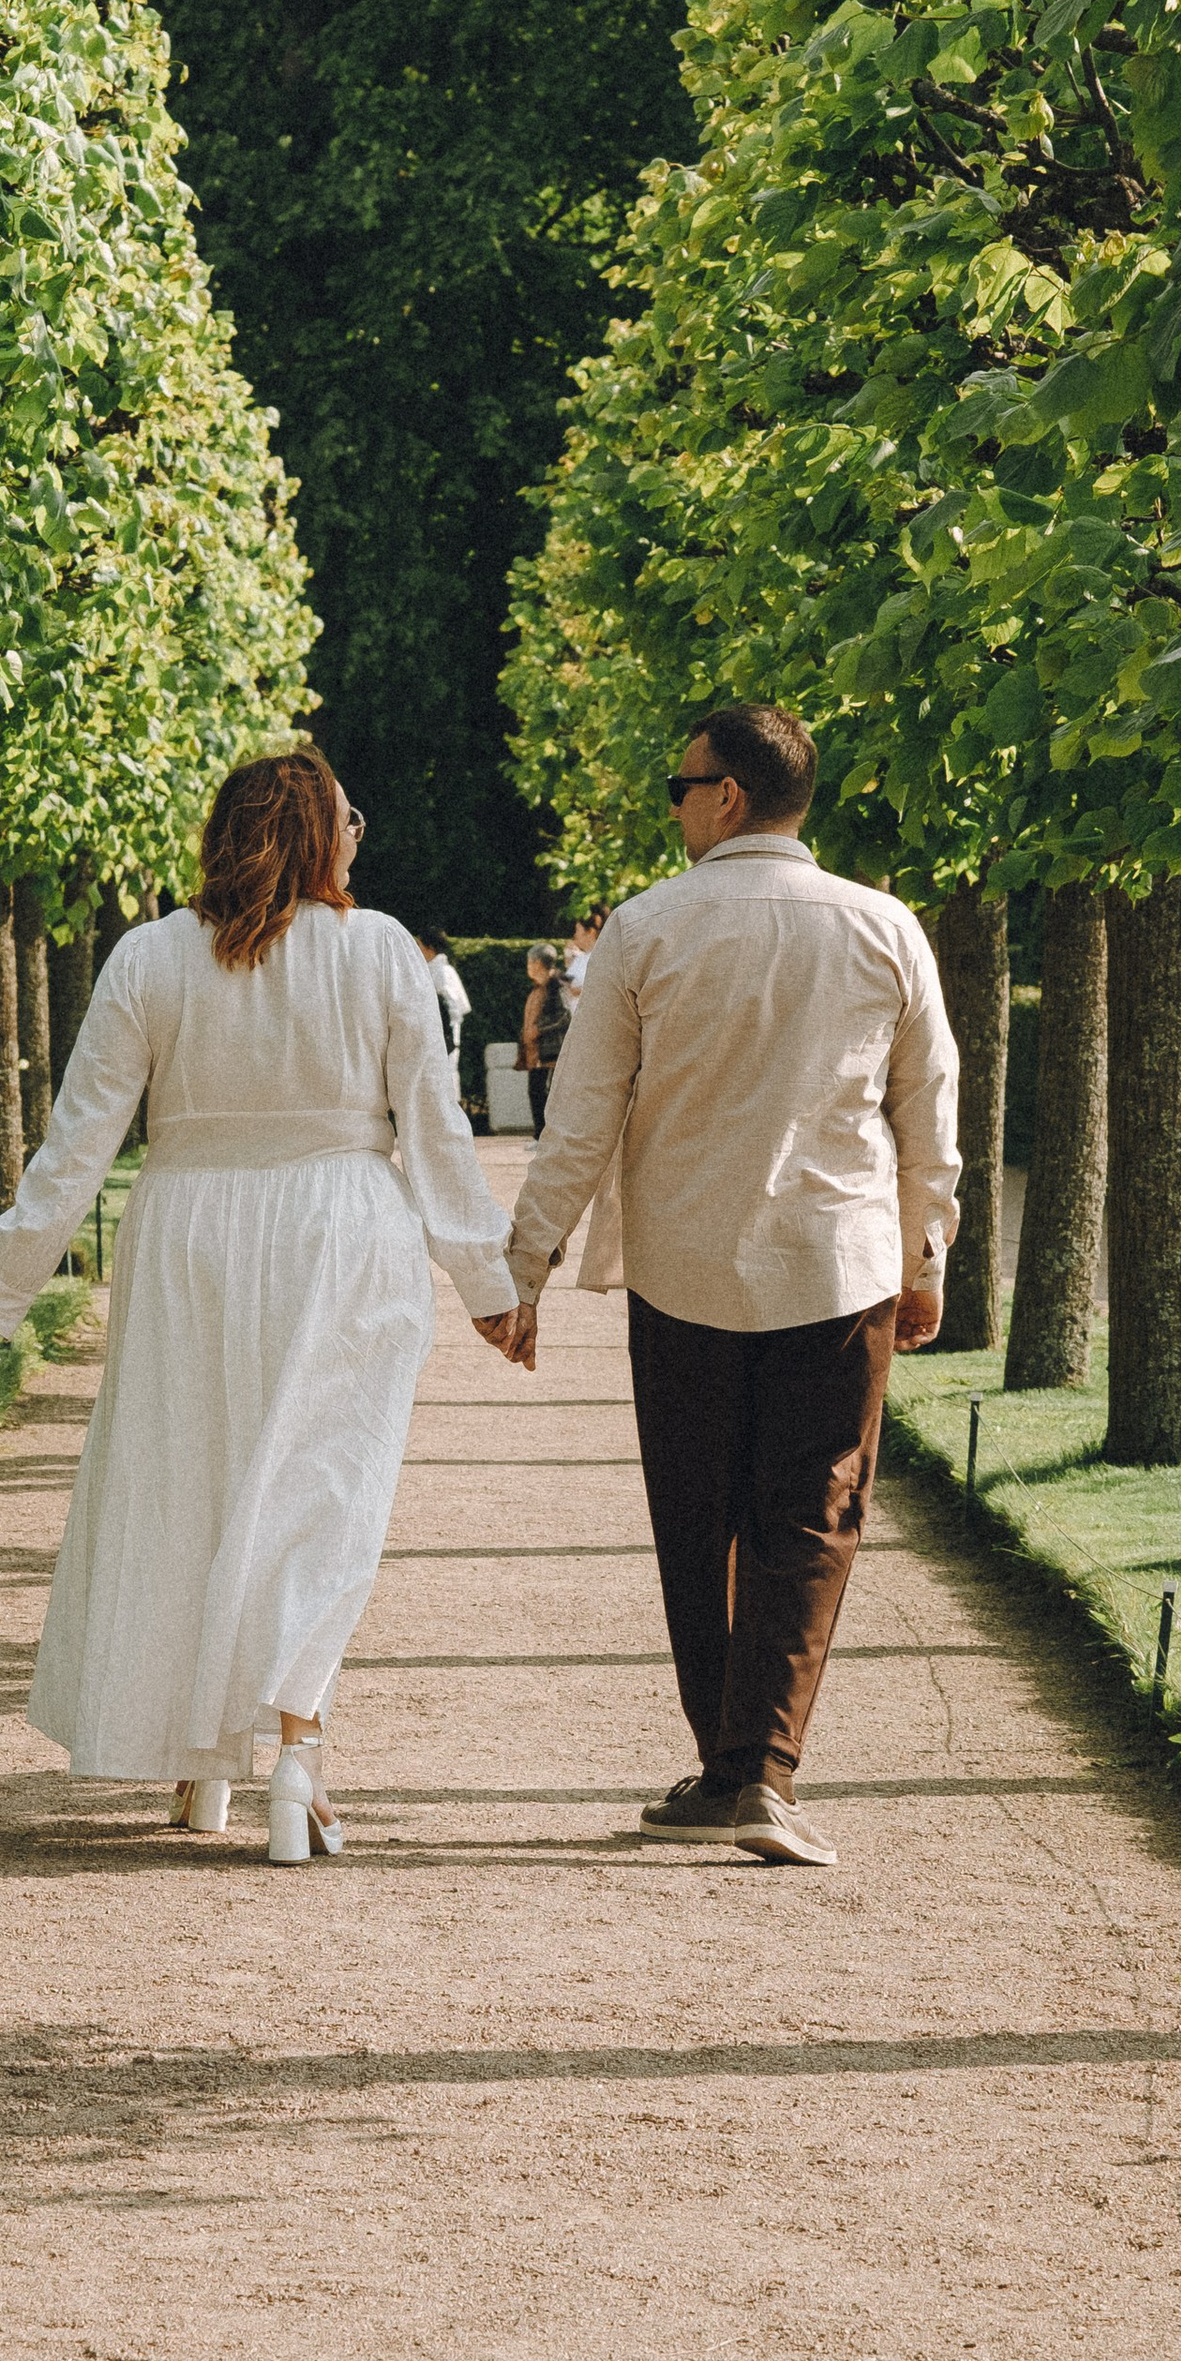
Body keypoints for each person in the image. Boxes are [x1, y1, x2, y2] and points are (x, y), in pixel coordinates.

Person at [0, 749, 525, 1862]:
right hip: (342, 1227)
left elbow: (80, 1138)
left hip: (190, 1237)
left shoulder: (151, 956)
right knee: (323, 1489)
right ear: (326, 838)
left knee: (193, 1482)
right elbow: (433, 1131)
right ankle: (293, 1752)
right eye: (348, 821)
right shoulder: (379, 953)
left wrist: (9, 1279)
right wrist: (488, 1287)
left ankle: (201, 1762)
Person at [498, 700, 959, 1870]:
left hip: (687, 1270)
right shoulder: (885, 927)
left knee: (696, 1519)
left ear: (730, 798)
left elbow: (582, 1116)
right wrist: (924, 1259)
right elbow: (926, 1116)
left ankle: (731, 1765)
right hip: (839, 1262)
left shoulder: (649, 931)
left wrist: (527, 1267)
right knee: (815, 1518)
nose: (674, 803)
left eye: (679, 784)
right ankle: (755, 1770)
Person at [517, 939, 574, 1138]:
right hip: (536, 1052)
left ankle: (546, 1135)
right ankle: (540, 1134)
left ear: (540, 964)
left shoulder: (556, 986)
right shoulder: (538, 987)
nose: (529, 968)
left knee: (544, 1093)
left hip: (551, 1052)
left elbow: (565, 1015)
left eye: (530, 963)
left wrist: (539, 1029)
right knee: (535, 1092)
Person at [417, 930, 472, 1080]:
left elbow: (455, 1007)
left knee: (444, 1078)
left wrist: (446, 1031)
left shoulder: (442, 972)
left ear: (430, 948)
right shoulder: (433, 970)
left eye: (419, 945)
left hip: (443, 1036)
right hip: (432, 1036)